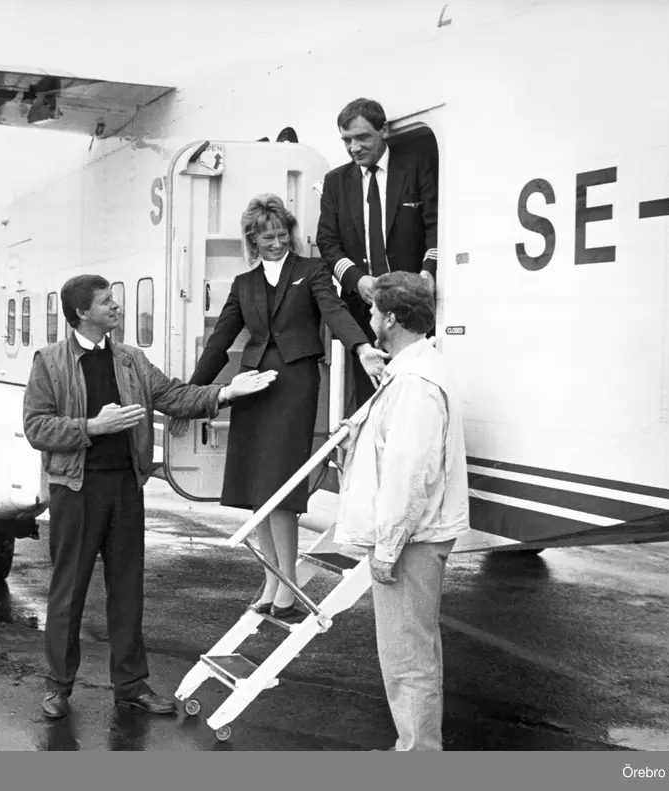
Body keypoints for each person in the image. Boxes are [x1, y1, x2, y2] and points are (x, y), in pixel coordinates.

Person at [23, 274, 278, 720]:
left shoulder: (131, 360)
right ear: (82, 312)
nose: (116, 306)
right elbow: (36, 427)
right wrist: (91, 427)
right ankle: (58, 686)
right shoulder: (50, 362)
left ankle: (131, 686)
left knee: (128, 592)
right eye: (106, 301)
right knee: (68, 593)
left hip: (125, 489)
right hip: (76, 491)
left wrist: (226, 392)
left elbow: (174, 395)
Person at [183, 194, 386, 621]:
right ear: (252, 240)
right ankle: (272, 580)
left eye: (281, 235)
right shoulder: (243, 284)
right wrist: (191, 394)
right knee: (258, 487)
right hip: (253, 386)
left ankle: (287, 586)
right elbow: (221, 340)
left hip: (294, 384)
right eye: (267, 238)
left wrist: (361, 347)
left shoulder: (311, 271)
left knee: (282, 485)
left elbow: (334, 312)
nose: (276, 244)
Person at [331, 271, 469, 751]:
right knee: (414, 648)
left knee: (407, 655)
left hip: (412, 538)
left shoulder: (414, 382)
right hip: (417, 533)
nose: (369, 317)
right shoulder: (415, 370)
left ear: (390, 318)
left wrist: (387, 548)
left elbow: (409, 475)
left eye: (373, 310)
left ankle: (417, 756)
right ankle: (414, 748)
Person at [316, 97, 438, 411]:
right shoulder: (336, 182)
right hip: (365, 312)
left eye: (362, 138)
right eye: (347, 140)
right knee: (371, 400)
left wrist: (429, 269)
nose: (354, 148)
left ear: (383, 130)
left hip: (412, 305)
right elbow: (327, 242)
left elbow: (435, 224)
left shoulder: (416, 166)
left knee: (414, 395)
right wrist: (357, 280)